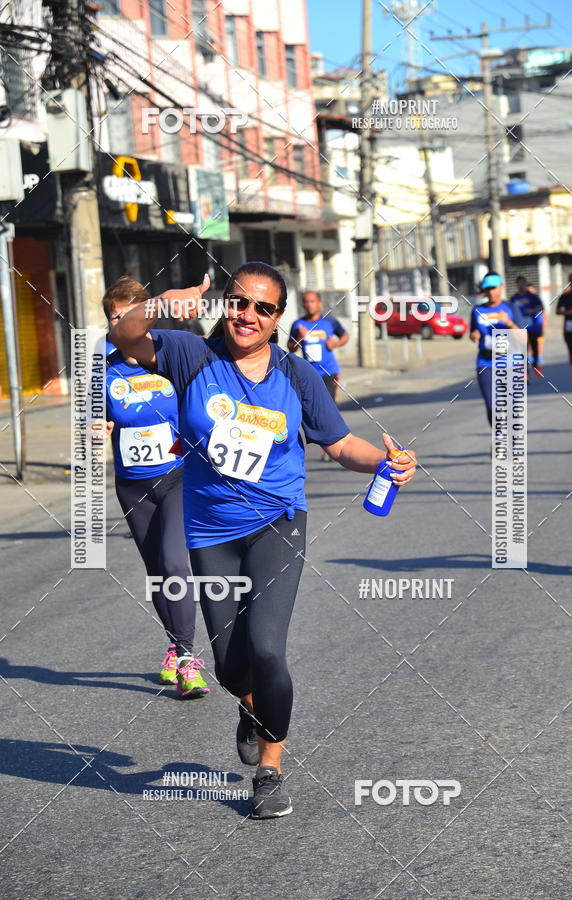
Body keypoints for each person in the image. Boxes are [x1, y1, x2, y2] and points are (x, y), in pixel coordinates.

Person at [110, 261, 417, 819]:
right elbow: (124, 334)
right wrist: (161, 302)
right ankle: (253, 711)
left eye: (262, 307)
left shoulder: (297, 376)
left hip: (277, 522)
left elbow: (342, 444)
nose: (246, 315)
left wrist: (389, 460)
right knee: (230, 667)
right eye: (237, 302)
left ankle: (270, 770)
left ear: (279, 318)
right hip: (208, 531)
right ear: (226, 304)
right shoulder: (191, 355)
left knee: (268, 648)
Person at [103, 277, 208, 698]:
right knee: (158, 574)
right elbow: (88, 424)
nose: (122, 321)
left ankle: (187, 659)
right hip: (132, 486)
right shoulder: (102, 369)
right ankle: (175, 646)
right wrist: (96, 429)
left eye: (130, 312)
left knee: (174, 563)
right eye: (115, 316)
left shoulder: (169, 357)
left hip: (178, 478)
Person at [470, 272, 519, 426]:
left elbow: (523, 338)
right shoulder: (477, 310)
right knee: (493, 407)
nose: (491, 292)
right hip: (485, 362)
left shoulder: (511, 307)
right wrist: (474, 336)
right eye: (487, 288)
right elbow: (472, 334)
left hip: (509, 362)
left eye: (494, 288)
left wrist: (509, 323)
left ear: (501, 287)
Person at [288, 291, 349, 403]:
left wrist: (336, 344)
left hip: (329, 371)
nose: (309, 304)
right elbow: (291, 347)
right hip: (309, 373)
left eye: (312, 301)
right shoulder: (298, 324)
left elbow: (345, 335)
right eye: (306, 302)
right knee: (312, 406)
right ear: (303, 305)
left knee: (328, 405)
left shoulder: (329, 321)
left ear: (319, 303)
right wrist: (299, 337)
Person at [510, 276, 546, 375]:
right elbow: (510, 311)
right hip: (520, 328)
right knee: (522, 349)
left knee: (534, 348)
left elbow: (541, 307)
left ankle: (535, 364)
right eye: (519, 284)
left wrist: (532, 310)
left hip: (533, 326)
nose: (521, 286)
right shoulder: (514, 298)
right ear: (516, 285)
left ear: (526, 284)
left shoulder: (533, 297)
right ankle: (526, 373)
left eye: (523, 283)